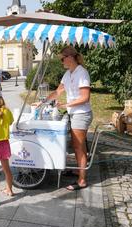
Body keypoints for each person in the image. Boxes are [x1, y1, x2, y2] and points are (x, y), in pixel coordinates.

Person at [36, 46, 93, 191]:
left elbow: (85, 98)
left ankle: (82, 180)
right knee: (76, 145)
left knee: (78, 146)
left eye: (62, 58)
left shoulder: (82, 73)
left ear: (70, 57)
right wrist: (43, 102)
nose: (61, 61)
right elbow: (57, 92)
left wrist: (66, 104)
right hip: (74, 113)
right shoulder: (68, 74)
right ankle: (79, 170)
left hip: (81, 113)